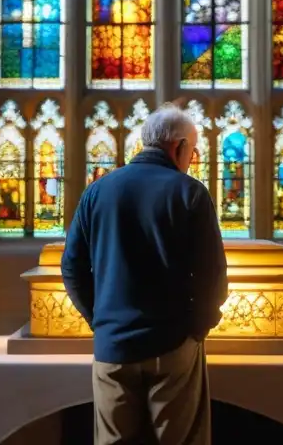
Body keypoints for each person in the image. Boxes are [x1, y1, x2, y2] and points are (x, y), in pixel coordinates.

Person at [62, 104, 228, 445]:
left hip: (113, 346)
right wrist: (198, 327)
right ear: (179, 146)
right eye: (193, 151)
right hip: (172, 344)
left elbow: (72, 267)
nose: (191, 159)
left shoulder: (97, 191)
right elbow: (213, 275)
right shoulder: (189, 192)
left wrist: (101, 320)